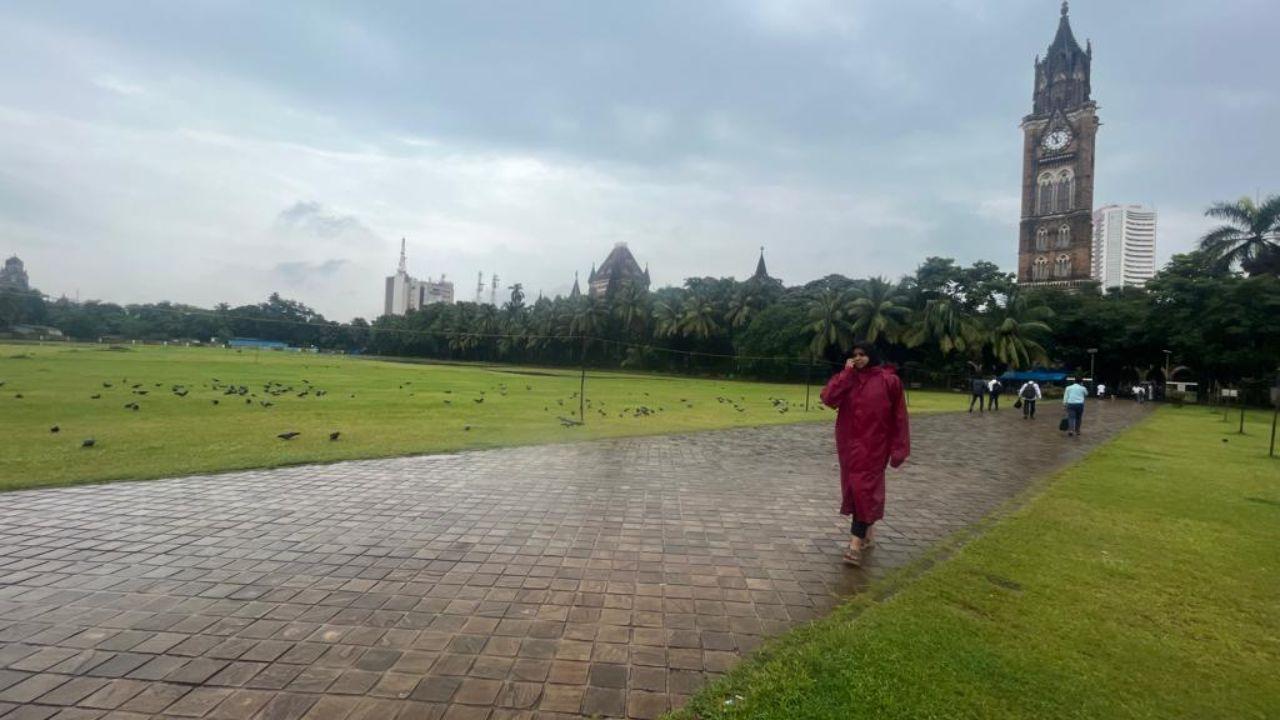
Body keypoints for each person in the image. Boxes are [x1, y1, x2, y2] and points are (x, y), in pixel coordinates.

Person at [821, 341, 910, 567]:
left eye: (862, 354)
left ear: (871, 355)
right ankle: (868, 532)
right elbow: (828, 398)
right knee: (856, 492)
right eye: (855, 355)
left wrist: (899, 448)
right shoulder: (849, 379)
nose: (858, 358)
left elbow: (899, 417)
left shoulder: (889, 381)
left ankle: (854, 546)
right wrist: (846, 374)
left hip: (875, 448)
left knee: (863, 490)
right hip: (849, 448)